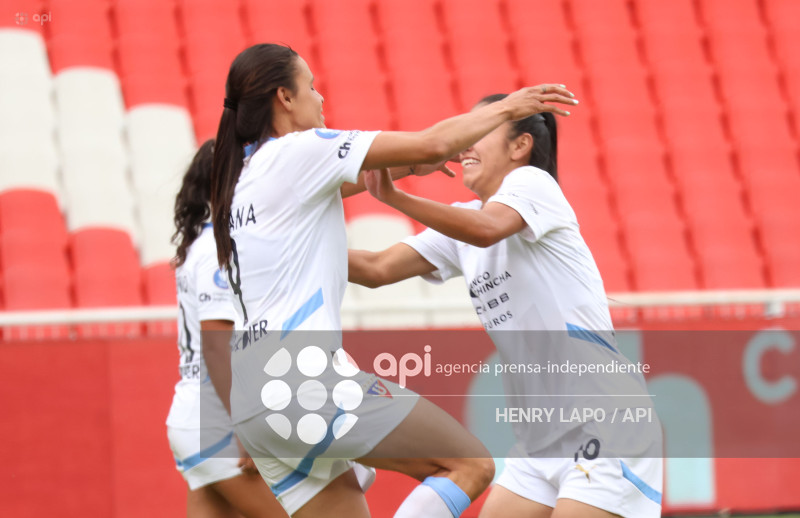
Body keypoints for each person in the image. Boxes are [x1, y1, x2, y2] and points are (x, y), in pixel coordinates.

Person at [209, 43, 578, 518]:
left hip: (253, 402)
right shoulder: (299, 150)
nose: (320, 98)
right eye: (312, 86)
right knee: (468, 465)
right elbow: (430, 145)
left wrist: (410, 166)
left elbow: (373, 219)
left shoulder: (242, 180)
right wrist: (509, 107)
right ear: (284, 97)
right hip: (302, 382)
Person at [348, 94, 663, 518]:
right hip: (538, 441)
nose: (466, 143)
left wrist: (396, 197)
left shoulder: (532, 184)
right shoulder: (463, 220)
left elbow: (486, 229)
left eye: (481, 130)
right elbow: (376, 268)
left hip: (604, 424)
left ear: (520, 146)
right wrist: (279, 251)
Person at [167, 139, 290, 518]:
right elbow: (217, 345)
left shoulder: (204, 245)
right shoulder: (218, 251)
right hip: (216, 423)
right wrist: (248, 425)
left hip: (196, 418)